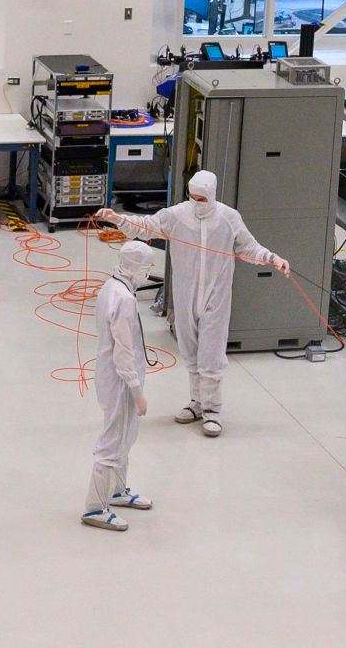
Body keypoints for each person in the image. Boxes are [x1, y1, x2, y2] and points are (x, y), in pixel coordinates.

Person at [156, 170, 288, 438]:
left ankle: (212, 411)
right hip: (185, 295)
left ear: (212, 195)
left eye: (201, 199)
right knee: (190, 351)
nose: (197, 203)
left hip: (216, 296)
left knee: (211, 353)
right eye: (193, 198)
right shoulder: (177, 215)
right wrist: (117, 219)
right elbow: (147, 224)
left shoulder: (228, 218)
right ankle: (196, 402)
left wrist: (273, 258)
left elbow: (249, 247)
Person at [82, 240, 158, 532]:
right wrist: (137, 392)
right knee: (113, 440)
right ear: (134, 267)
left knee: (126, 435)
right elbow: (123, 352)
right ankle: (94, 507)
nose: (148, 273)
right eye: (146, 267)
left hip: (116, 376)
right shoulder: (123, 299)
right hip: (120, 380)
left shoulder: (112, 288)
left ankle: (117, 491)